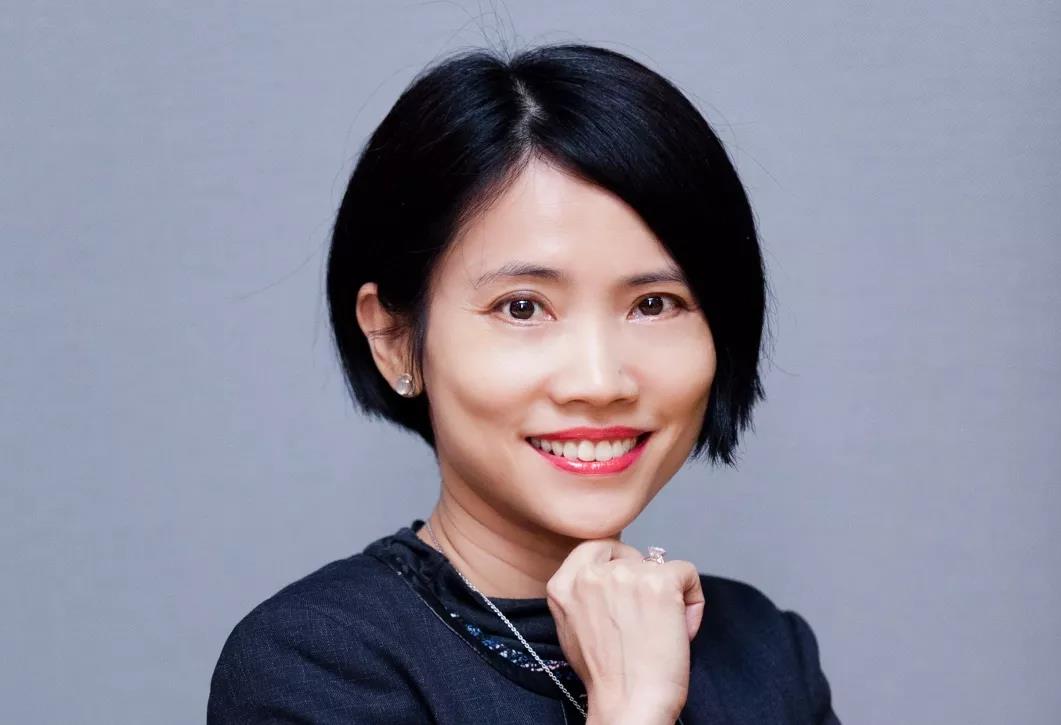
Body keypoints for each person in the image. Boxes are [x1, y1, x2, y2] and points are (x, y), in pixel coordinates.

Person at [208, 42, 840, 724]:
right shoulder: (312, 666)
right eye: (522, 308)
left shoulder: (764, 653)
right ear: (392, 337)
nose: (600, 382)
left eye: (654, 304)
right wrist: (631, 708)